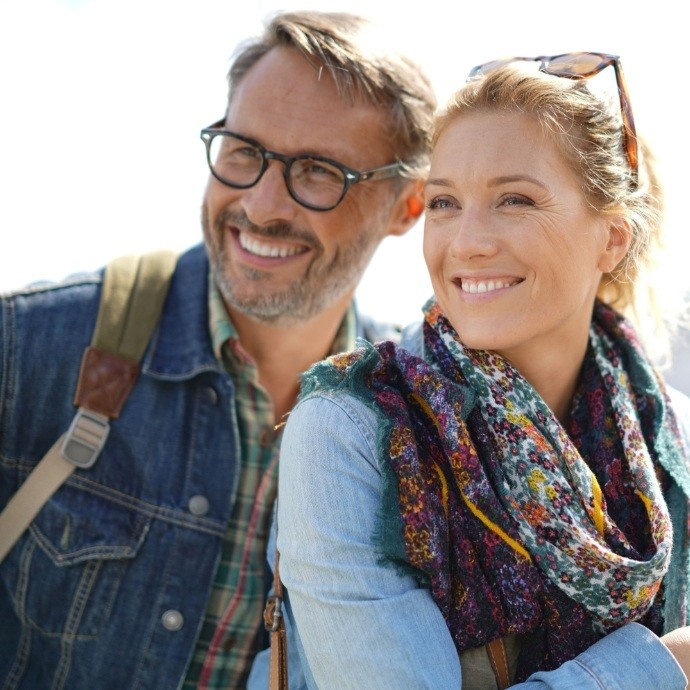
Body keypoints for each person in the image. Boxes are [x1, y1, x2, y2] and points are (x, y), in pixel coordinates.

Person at [0, 11, 435, 689]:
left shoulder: (417, 431)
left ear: (408, 206)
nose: (261, 205)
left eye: (317, 172)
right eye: (243, 151)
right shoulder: (29, 350)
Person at [273, 53, 690, 688]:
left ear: (611, 238)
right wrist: (667, 668)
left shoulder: (672, 436)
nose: (466, 241)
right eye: (444, 203)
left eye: (514, 199)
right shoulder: (352, 429)